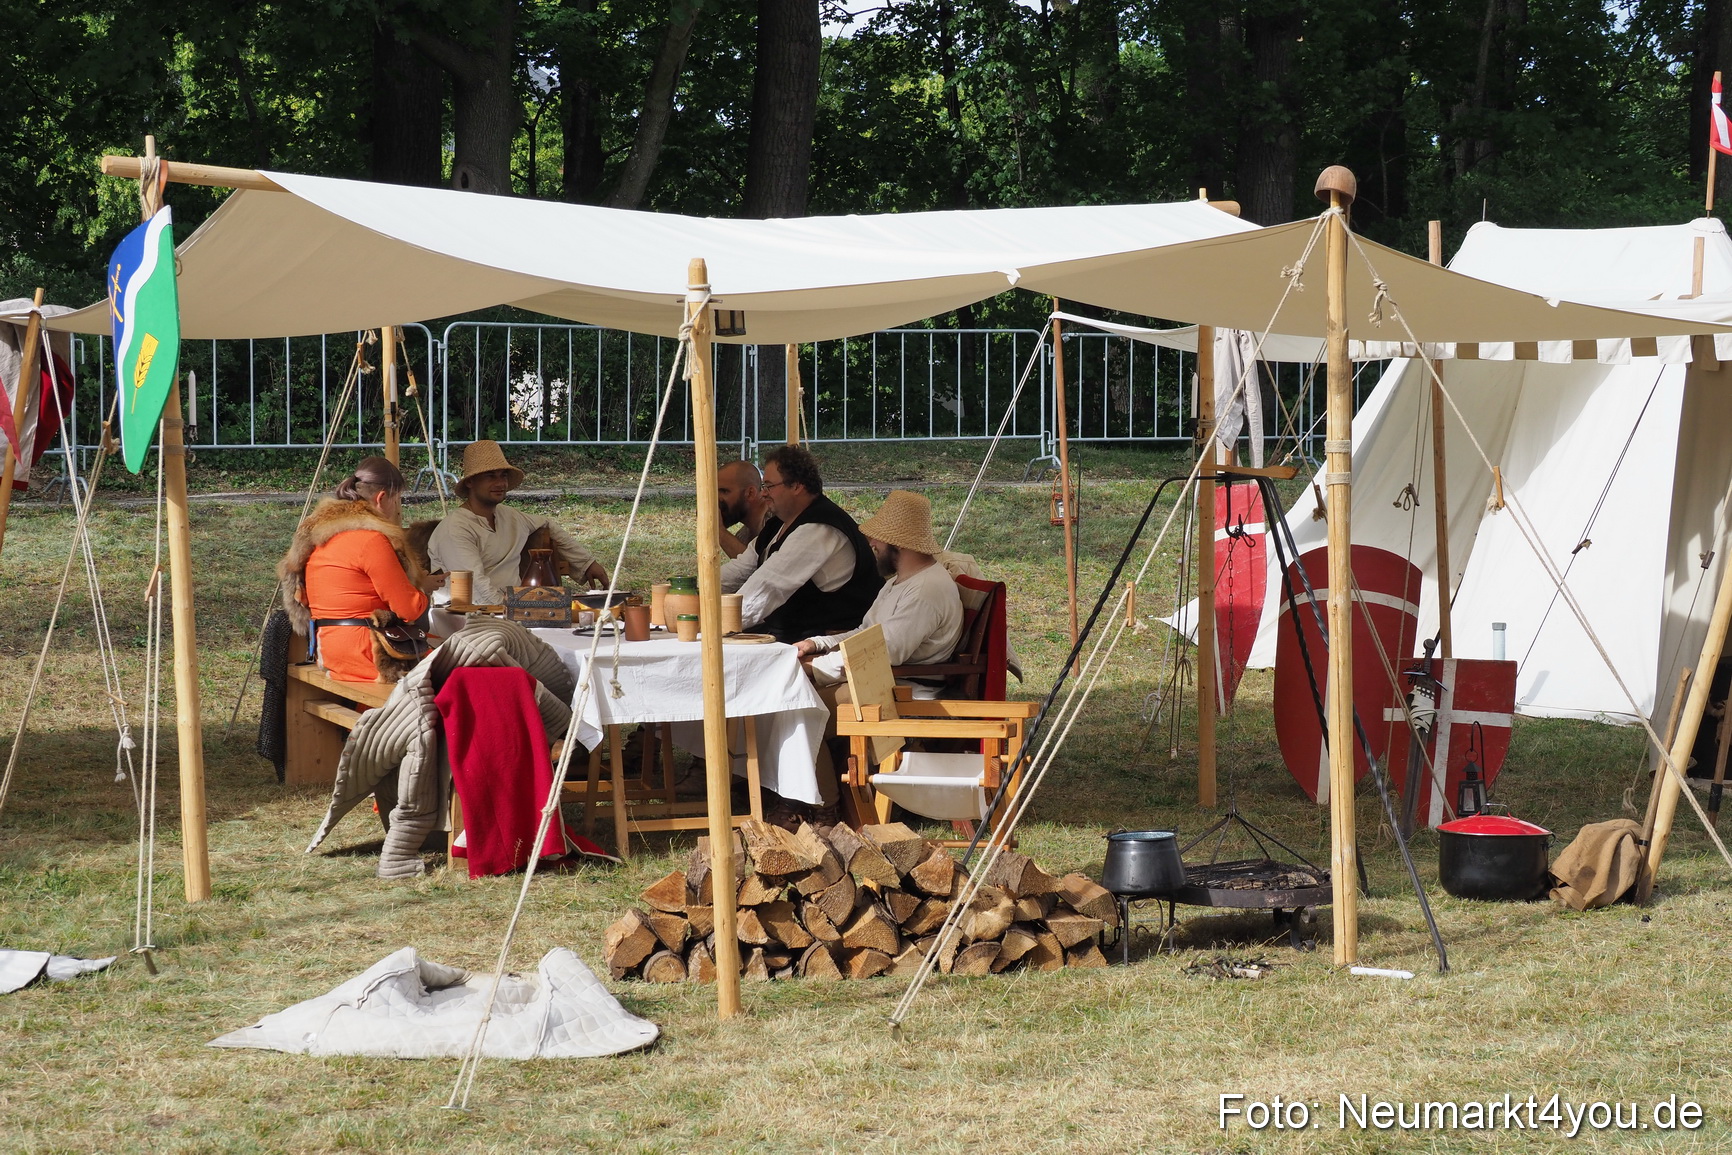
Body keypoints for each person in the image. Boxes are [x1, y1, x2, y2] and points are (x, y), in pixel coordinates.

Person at [277, 457, 442, 683]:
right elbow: (409, 608)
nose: (396, 508)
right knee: (469, 671)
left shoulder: (323, 535)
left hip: (329, 649)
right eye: (397, 500)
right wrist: (422, 590)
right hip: (372, 653)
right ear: (382, 498)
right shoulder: (371, 540)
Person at [795, 490, 963, 695]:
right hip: (878, 681)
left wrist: (817, 667)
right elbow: (865, 635)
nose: (872, 543)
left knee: (793, 700)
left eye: (880, 538)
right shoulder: (900, 581)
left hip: (903, 692)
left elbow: (884, 652)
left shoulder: (926, 590)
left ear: (899, 542)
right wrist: (817, 643)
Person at [718, 445, 879, 643]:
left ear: (796, 486)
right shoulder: (779, 524)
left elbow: (768, 587)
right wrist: (698, 591)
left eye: (769, 486)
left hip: (830, 644)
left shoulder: (818, 529)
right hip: (795, 635)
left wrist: (714, 622)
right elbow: (741, 569)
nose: (764, 494)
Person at [427, 440, 607, 605]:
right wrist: (513, 611)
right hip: (465, 614)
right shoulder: (455, 528)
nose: (500, 483)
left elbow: (547, 525)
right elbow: (475, 587)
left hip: (512, 608)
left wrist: (587, 563)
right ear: (470, 483)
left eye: (503, 475)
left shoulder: (511, 517)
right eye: (490, 476)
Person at [716, 459, 771, 559]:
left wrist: (718, 531)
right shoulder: (742, 536)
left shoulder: (779, 526)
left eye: (724, 491)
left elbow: (761, 570)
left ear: (750, 493)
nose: (716, 499)